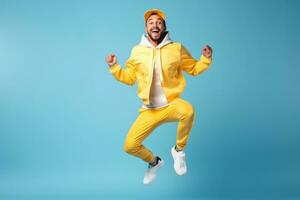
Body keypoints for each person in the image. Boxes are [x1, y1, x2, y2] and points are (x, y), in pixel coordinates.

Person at [106, 9, 213, 185]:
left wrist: (206, 58)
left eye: (159, 22)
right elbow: (129, 78)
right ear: (146, 27)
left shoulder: (176, 48)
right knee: (130, 146)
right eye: (151, 22)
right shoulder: (137, 51)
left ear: (164, 27)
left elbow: (193, 68)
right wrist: (114, 66)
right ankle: (154, 162)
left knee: (188, 110)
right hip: (150, 110)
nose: (155, 25)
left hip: (171, 105)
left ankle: (179, 150)